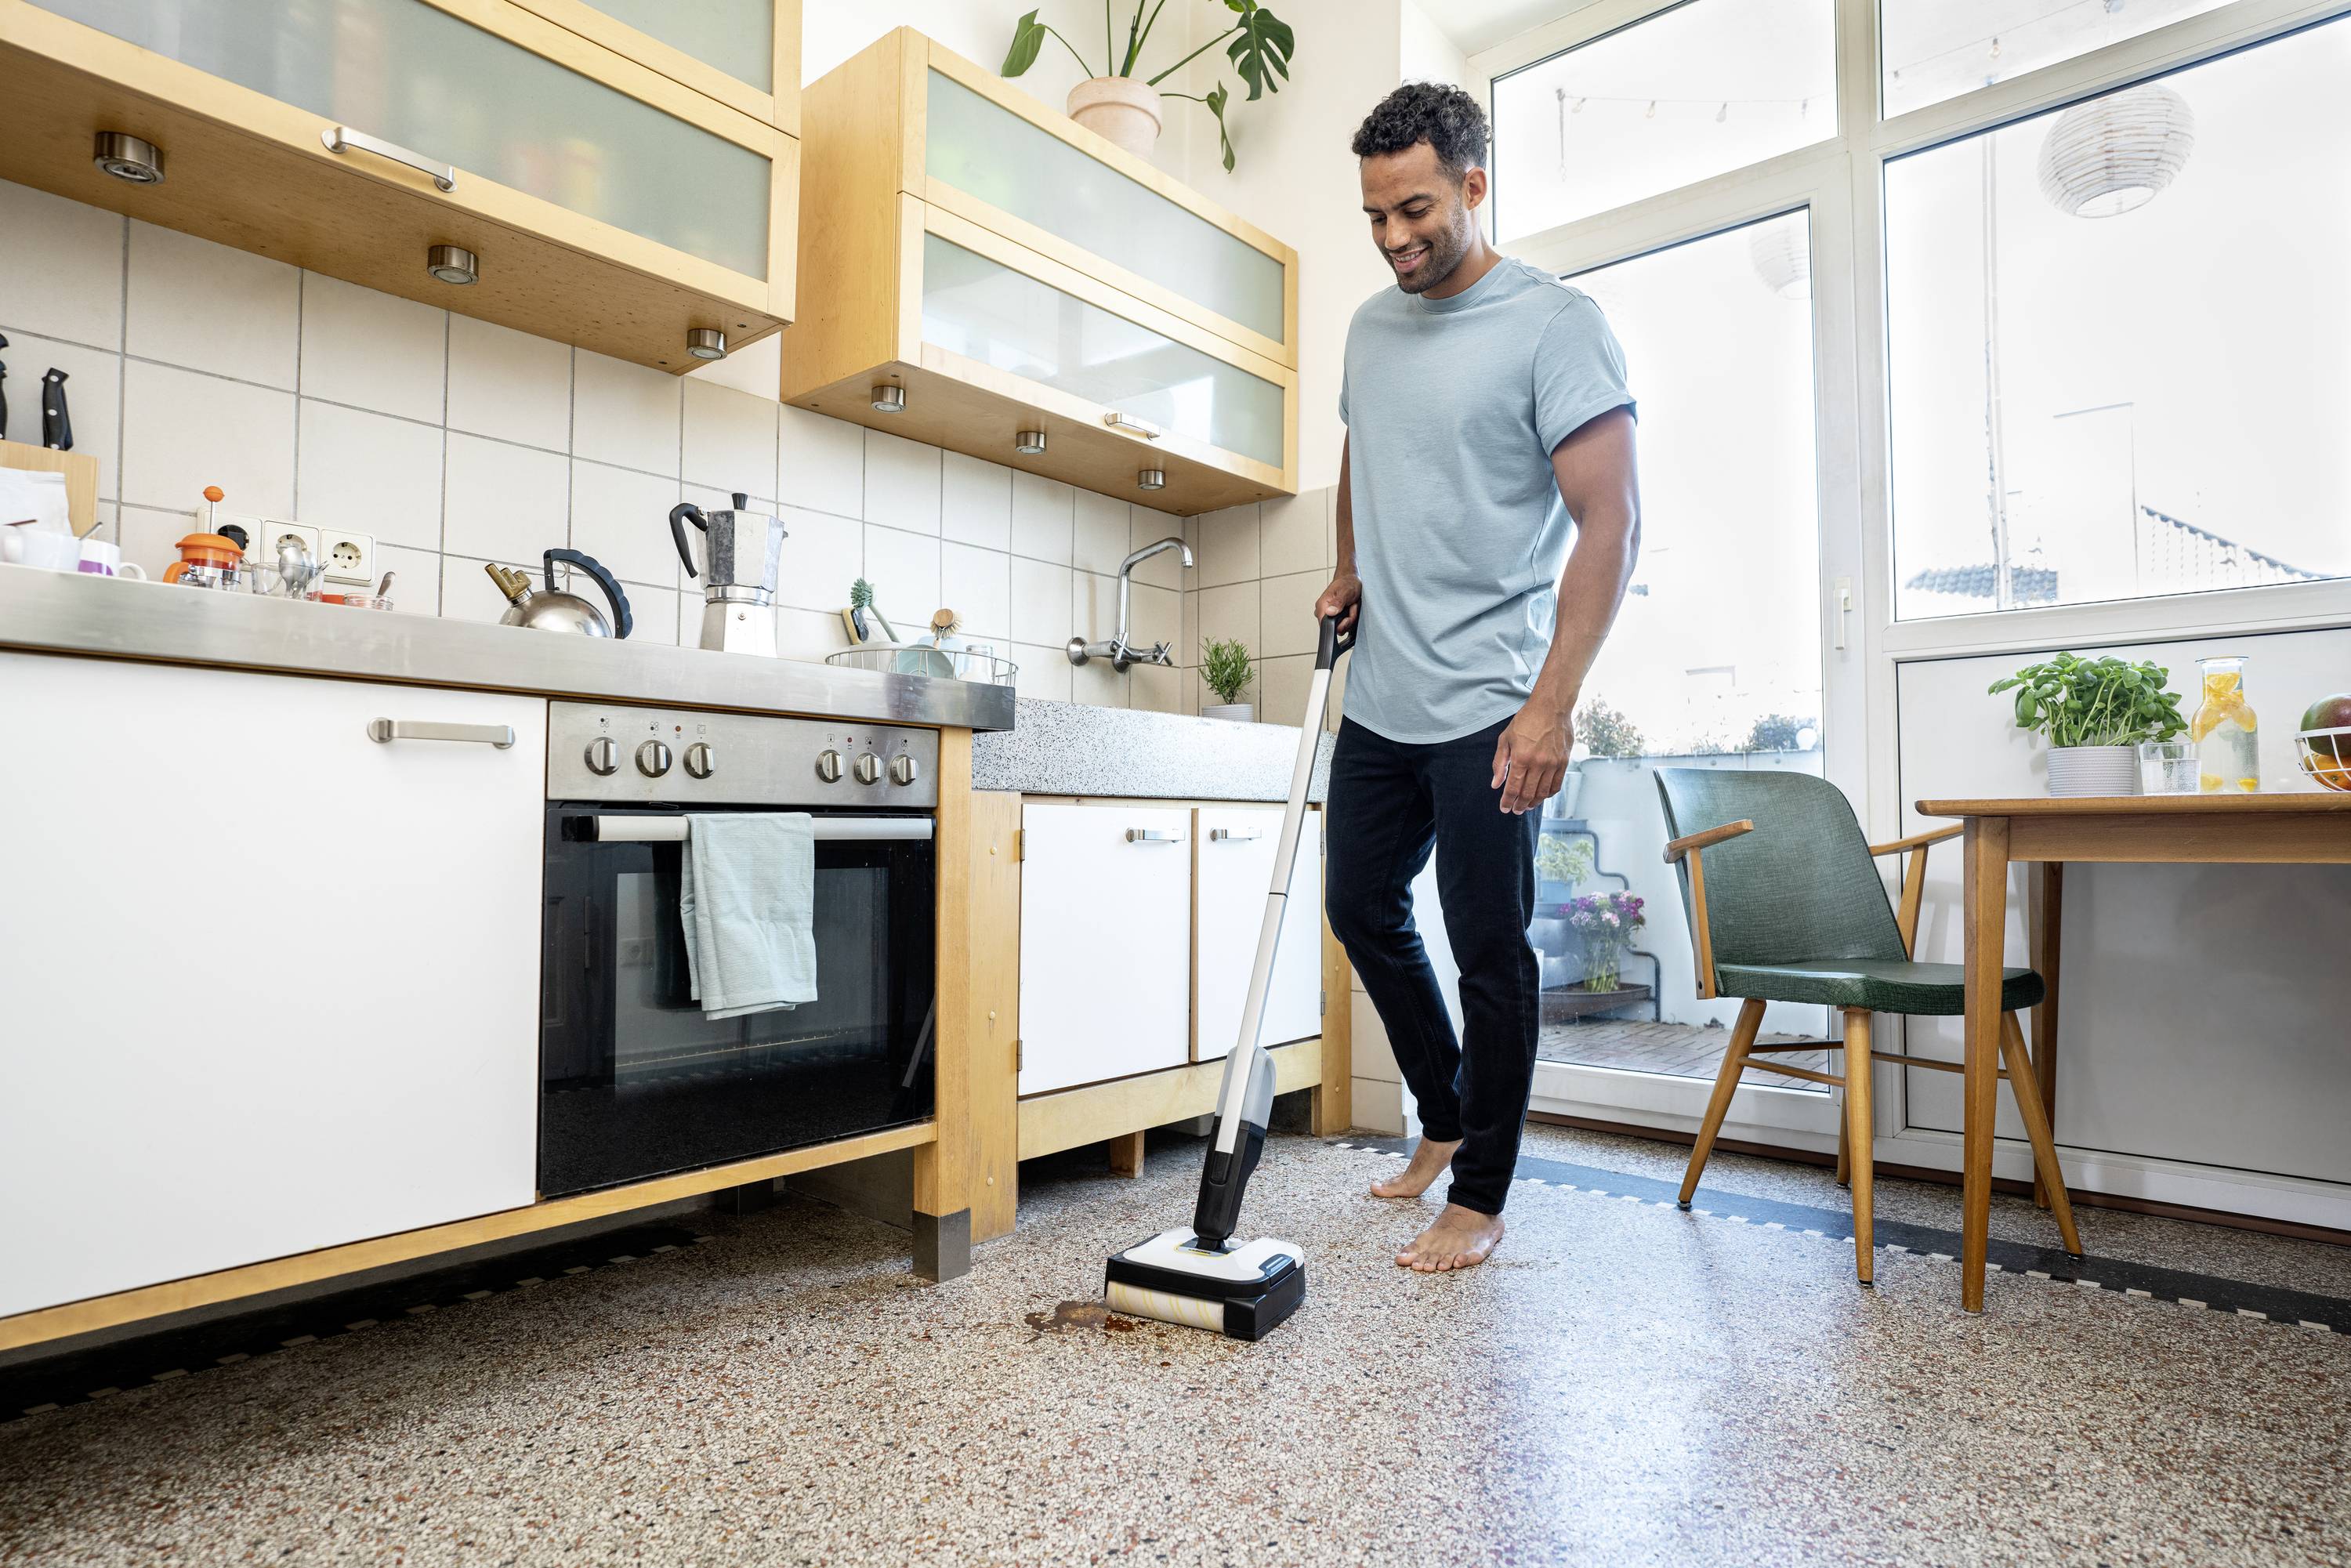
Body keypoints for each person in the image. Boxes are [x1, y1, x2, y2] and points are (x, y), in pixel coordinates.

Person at [1320, 82, 1642, 1273]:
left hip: (1497, 698)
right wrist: (1349, 564)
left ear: (1472, 184)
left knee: (1489, 946)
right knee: (1359, 901)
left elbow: (1608, 521)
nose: (1397, 239)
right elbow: (1362, 445)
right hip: (1385, 691)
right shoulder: (1369, 328)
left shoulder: (1554, 325)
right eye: (1375, 218)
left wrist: (1552, 704)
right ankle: (1444, 1114)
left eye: (1416, 210)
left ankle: (1483, 1189)